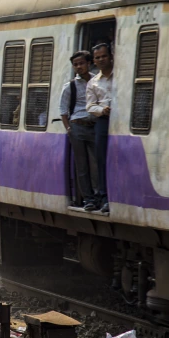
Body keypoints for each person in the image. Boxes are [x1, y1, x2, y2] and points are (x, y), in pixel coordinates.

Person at [60, 51, 98, 211]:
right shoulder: (70, 86)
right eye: (75, 64)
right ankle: (88, 199)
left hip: (94, 126)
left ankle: (100, 196)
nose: (78, 67)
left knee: (97, 163)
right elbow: (63, 110)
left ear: (88, 63)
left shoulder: (97, 81)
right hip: (77, 126)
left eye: (81, 63)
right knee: (82, 165)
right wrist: (68, 128)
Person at [86, 43, 115, 214]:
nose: (101, 59)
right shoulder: (93, 83)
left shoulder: (122, 75)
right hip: (103, 120)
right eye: (97, 57)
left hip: (123, 119)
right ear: (94, 61)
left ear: (110, 56)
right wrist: (102, 110)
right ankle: (105, 198)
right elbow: (90, 106)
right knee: (102, 158)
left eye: (104, 56)